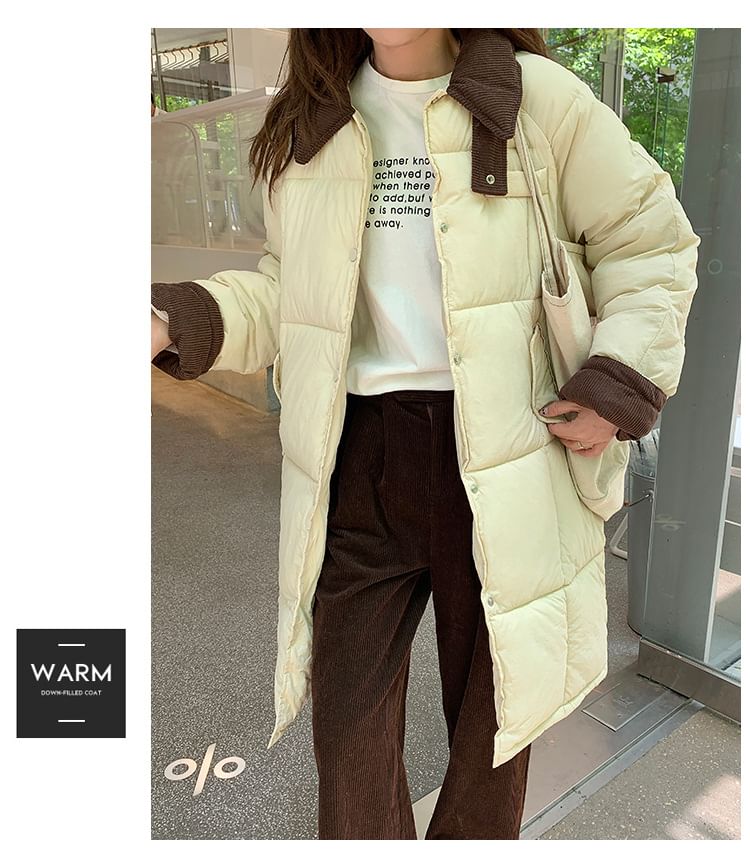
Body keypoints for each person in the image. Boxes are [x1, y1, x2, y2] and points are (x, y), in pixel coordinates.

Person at [150, 28, 700, 839]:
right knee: (348, 730)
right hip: (360, 456)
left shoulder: (537, 98)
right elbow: (286, 293)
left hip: (509, 453)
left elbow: (649, 241)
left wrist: (617, 380)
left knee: (493, 729)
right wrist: (174, 320)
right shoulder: (311, 121)